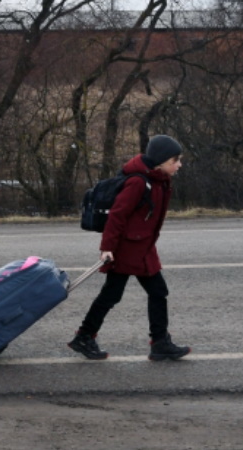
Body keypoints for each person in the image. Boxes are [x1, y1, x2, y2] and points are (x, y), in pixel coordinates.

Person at [68, 135, 191, 361]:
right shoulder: (138, 182)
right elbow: (117, 215)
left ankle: (160, 343)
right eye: (175, 160)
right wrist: (107, 248)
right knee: (113, 295)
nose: (179, 165)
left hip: (143, 247)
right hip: (126, 249)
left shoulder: (158, 179)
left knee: (156, 292)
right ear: (161, 161)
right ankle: (85, 337)